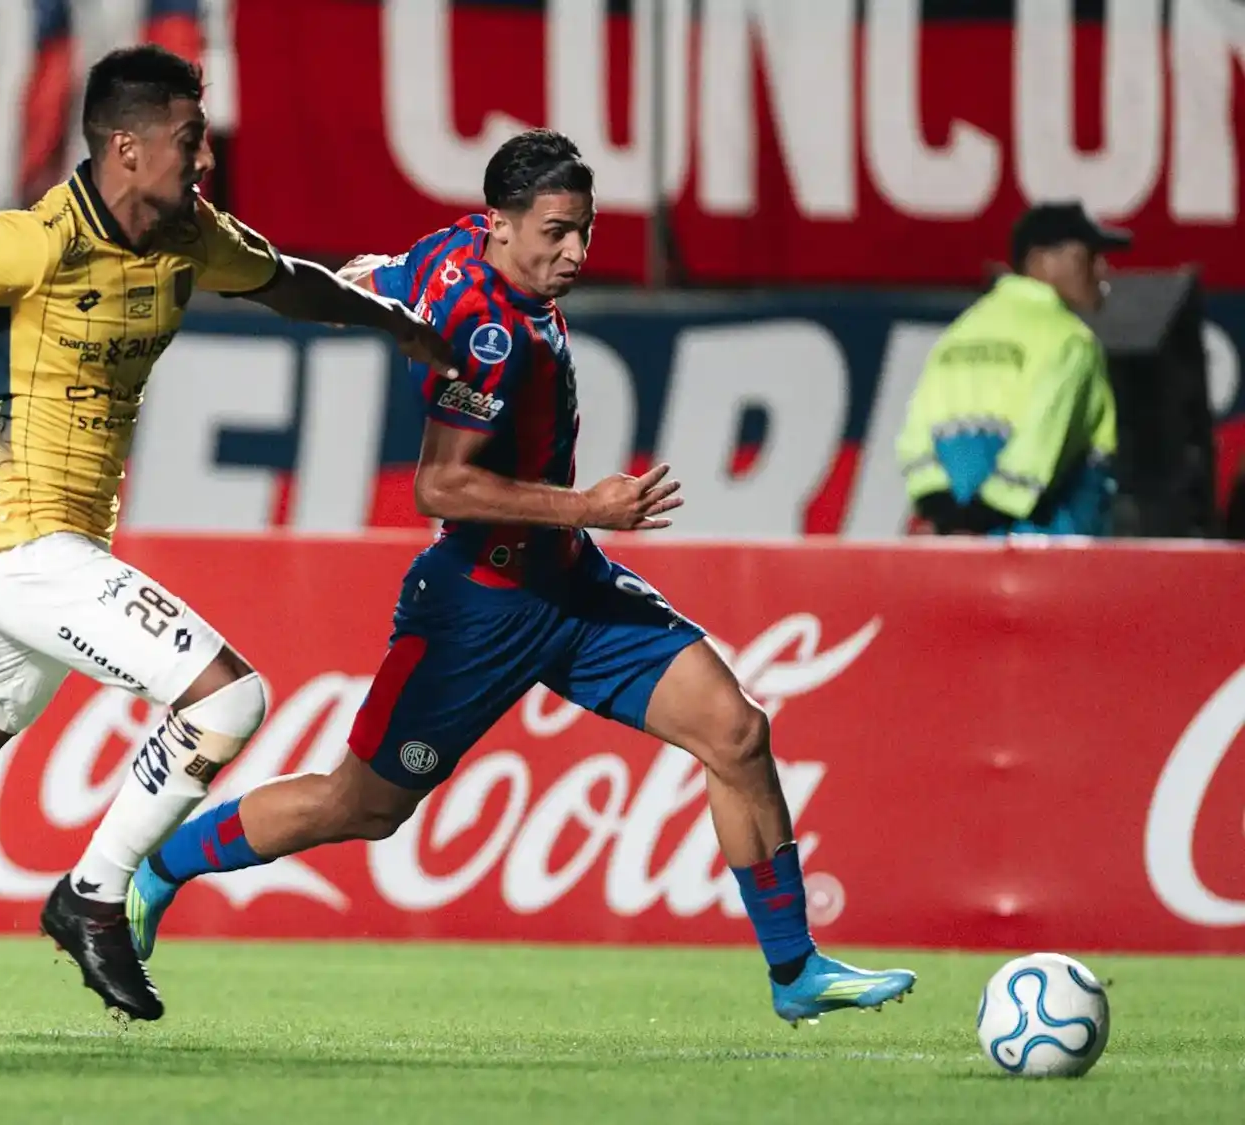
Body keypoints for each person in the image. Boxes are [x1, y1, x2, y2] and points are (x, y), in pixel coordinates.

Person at [125, 129, 916, 1027]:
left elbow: (376, 274)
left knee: (735, 732)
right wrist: (594, 507)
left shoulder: (460, 246)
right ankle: (161, 865)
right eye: (556, 232)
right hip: (479, 606)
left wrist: (360, 286)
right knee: (362, 806)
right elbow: (441, 484)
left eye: (584, 230)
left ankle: (795, 968)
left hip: (570, 589)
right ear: (503, 225)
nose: (574, 252)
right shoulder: (491, 335)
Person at [0, 44, 455, 1036]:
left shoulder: (187, 236)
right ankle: (93, 892)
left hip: (51, 556)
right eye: (188, 138)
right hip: (19, 546)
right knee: (229, 699)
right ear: (127, 145)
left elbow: (288, 281)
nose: (203, 156)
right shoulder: (29, 241)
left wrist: (393, 322)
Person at [898, 202, 1126, 536]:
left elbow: (916, 439)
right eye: (1087, 257)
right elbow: (1041, 444)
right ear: (1040, 261)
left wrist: (948, 517)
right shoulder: (1071, 340)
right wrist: (984, 519)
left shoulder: (957, 335)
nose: (1102, 269)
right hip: (1047, 552)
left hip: (958, 549)